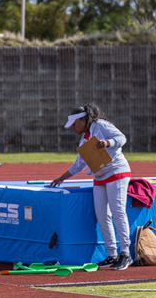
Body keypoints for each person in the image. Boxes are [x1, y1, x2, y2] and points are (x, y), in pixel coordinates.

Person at [50, 104, 133, 271]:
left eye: (75, 124)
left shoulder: (100, 125)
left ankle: (125, 253)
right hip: (100, 176)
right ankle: (112, 254)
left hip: (117, 171)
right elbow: (78, 165)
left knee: (117, 212)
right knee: (102, 216)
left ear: (83, 120)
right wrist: (61, 178)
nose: (73, 128)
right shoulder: (84, 140)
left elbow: (122, 138)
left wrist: (107, 142)